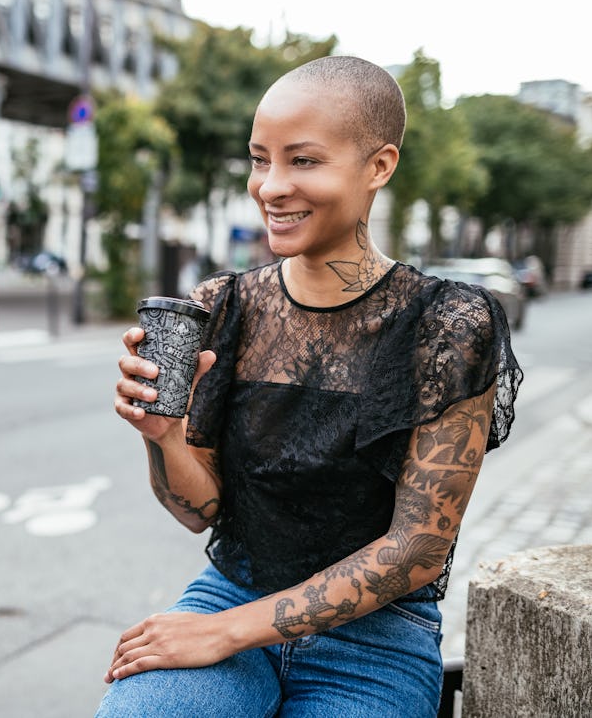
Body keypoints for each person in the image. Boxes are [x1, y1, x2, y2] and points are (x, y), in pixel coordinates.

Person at [100, 56, 522, 716]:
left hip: (375, 638)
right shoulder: (222, 307)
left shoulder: (448, 323)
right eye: (259, 159)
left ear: (379, 166)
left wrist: (226, 632)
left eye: (302, 160)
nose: (270, 186)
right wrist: (162, 437)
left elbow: (416, 550)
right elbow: (199, 512)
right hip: (230, 593)